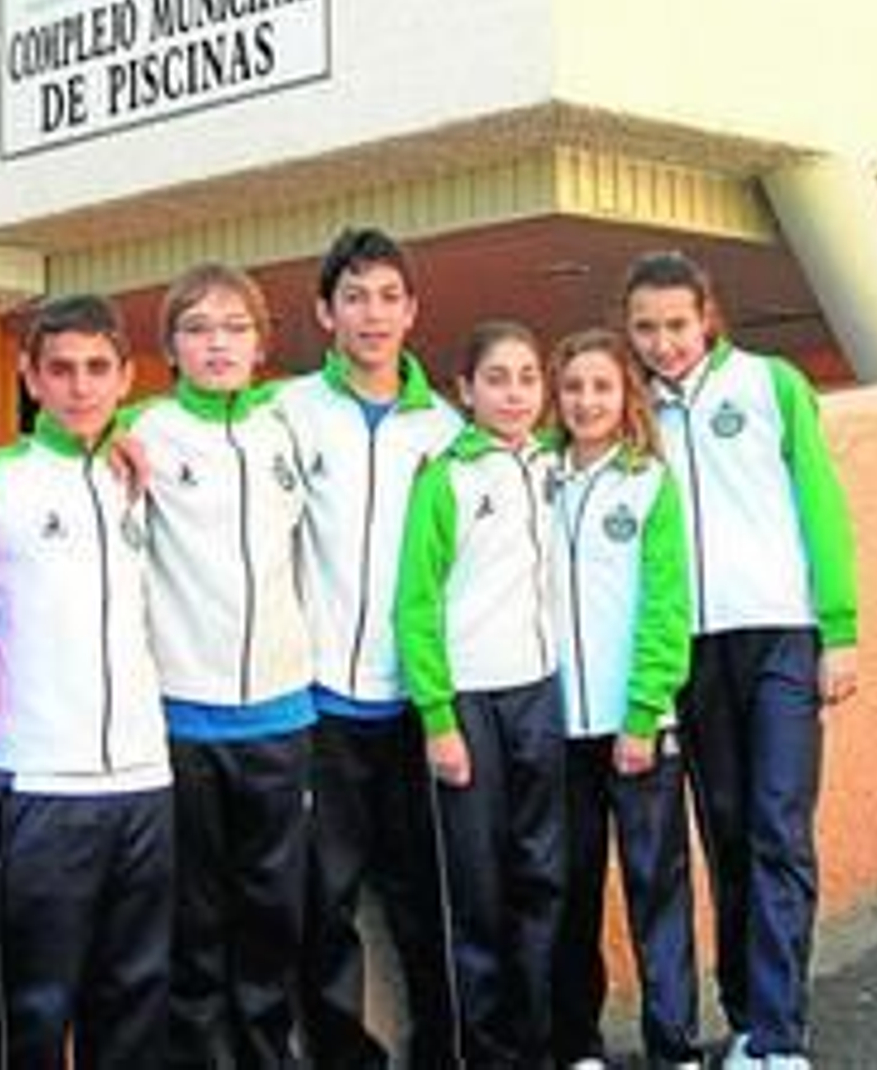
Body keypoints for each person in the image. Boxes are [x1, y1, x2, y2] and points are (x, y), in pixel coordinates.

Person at [622, 251, 860, 1070]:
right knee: (725, 833)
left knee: (778, 827)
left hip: (782, 634)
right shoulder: (630, 407)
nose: (663, 343)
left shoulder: (771, 385)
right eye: (645, 328)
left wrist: (840, 628)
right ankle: (749, 1018)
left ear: (708, 317)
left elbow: (820, 502)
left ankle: (783, 1033)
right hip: (689, 649)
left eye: (677, 324)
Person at [0, 293, 173, 1070]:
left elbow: (246, 398)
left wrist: (127, 433)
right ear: (29, 376)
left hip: (146, 779)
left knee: (135, 1004)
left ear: (125, 378)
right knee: (34, 1006)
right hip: (40, 785)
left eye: (97, 369)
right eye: (60, 370)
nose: (80, 387)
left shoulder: (142, 471)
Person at [278, 226, 463, 1069]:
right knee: (324, 905)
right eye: (354, 296)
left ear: (413, 310)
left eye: (389, 296)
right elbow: (184, 431)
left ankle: (443, 1053)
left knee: (429, 899)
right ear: (326, 312)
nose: (373, 314)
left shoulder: (450, 429)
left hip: (422, 707)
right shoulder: (289, 413)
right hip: (321, 703)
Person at [129, 264, 315, 1068]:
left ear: (260, 341)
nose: (218, 343)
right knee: (194, 921)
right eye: (199, 328)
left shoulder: (287, 428)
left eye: (236, 327)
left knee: (273, 912)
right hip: (184, 716)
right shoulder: (142, 430)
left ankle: (267, 1055)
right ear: (171, 345)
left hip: (281, 713)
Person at [393, 320, 567, 1068]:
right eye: (497, 378)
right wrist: (438, 717)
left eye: (528, 377)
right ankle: (486, 1053)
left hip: (540, 695)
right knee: (477, 888)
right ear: (465, 391)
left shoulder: (557, 467)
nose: (515, 393)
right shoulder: (446, 476)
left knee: (542, 878)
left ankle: (539, 1044)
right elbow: (416, 602)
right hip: (466, 703)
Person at [542, 329, 700, 1070]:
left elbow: (665, 610)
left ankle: (674, 1047)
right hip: (555, 732)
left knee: (655, 891)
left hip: (638, 731)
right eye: (572, 387)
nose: (586, 401)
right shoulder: (536, 477)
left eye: (601, 386)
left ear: (625, 396)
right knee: (570, 894)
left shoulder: (648, 484)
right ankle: (579, 1046)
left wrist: (643, 713)